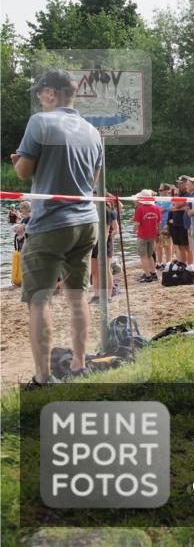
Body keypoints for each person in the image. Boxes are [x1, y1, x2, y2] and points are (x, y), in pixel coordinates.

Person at [11, 69, 103, 388]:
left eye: (40, 93)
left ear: (51, 94)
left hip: (50, 223)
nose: (39, 98)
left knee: (39, 299)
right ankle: (79, 365)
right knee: (78, 297)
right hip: (86, 221)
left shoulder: (40, 121)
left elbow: (23, 172)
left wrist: (19, 161)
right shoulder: (93, 131)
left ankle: (43, 377)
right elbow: (91, 182)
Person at [133, 190, 161, 283]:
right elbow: (159, 223)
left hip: (142, 235)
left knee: (143, 256)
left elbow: (137, 223)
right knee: (150, 255)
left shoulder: (140, 209)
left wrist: (134, 229)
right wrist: (158, 233)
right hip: (152, 235)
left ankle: (147, 275)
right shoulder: (157, 208)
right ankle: (153, 273)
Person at [154, 183, 174, 269]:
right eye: (159, 190)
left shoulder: (169, 200)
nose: (159, 192)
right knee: (158, 244)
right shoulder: (157, 199)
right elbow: (156, 210)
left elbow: (159, 210)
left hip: (166, 224)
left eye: (160, 190)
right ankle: (159, 262)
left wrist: (160, 209)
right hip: (157, 223)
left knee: (167, 245)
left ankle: (168, 262)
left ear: (166, 191)